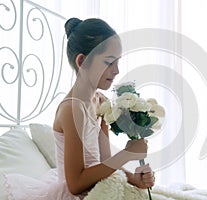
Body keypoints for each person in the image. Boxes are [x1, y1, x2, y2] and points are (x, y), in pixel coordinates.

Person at [4, 18, 155, 200]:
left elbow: (105, 162)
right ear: (82, 61)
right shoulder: (71, 110)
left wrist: (133, 178)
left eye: (118, 62)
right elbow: (75, 184)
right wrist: (125, 155)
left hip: (98, 188)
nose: (117, 70)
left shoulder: (101, 102)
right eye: (109, 62)